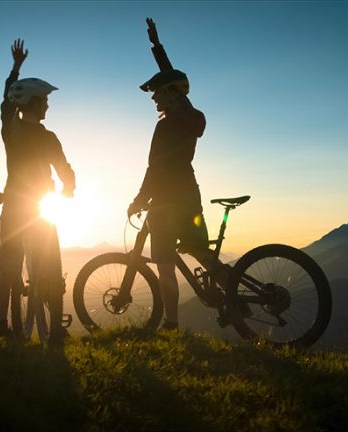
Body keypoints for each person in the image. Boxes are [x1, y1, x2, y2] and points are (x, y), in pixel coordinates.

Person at [127, 18, 209, 330]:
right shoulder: (192, 117)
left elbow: (154, 169)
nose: (153, 97)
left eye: (158, 93)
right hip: (189, 196)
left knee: (163, 266)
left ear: (171, 95)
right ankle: (230, 295)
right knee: (202, 253)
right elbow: (173, 79)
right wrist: (157, 46)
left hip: (163, 205)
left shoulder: (164, 126)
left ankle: (172, 324)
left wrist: (138, 200)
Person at [0, 39, 75, 347]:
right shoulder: (49, 137)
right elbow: (64, 170)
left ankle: (1, 325)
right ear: (32, 102)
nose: (48, 104)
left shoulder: (10, 131)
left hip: (15, 206)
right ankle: (56, 329)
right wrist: (69, 189)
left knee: (7, 267)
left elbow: (5, 102)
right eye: (43, 100)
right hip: (43, 207)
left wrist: (15, 68)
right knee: (52, 265)